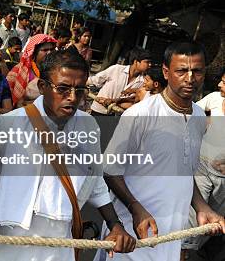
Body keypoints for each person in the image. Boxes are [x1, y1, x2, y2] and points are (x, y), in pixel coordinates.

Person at [0, 49, 136, 261]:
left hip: (58, 245)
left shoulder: (89, 127)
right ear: (42, 87)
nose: (72, 98)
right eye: (63, 89)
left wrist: (115, 225)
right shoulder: (8, 124)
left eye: (80, 90)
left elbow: (95, 182)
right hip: (5, 243)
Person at [95, 42, 225, 261]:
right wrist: (136, 208)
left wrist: (203, 208)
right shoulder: (141, 114)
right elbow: (109, 171)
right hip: (132, 236)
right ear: (166, 72)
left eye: (197, 71)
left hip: (171, 236)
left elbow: (185, 171)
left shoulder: (199, 118)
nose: (190, 78)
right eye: (182, 70)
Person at [182, 67, 225, 255]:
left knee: (214, 223)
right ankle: (180, 252)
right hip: (202, 168)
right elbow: (193, 113)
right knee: (192, 220)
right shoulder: (214, 98)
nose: (220, 84)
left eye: (224, 81)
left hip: (223, 180)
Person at [87, 47, 151, 116]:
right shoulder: (116, 69)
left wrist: (115, 102)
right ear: (136, 62)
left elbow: (134, 100)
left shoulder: (143, 82)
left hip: (116, 115)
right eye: (147, 62)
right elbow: (94, 80)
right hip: (99, 110)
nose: (150, 65)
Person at [6, 34, 57, 108]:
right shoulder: (19, 71)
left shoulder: (58, 71)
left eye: (52, 49)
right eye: (45, 50)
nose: (49, 53)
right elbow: (7, 98)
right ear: (34, 52)